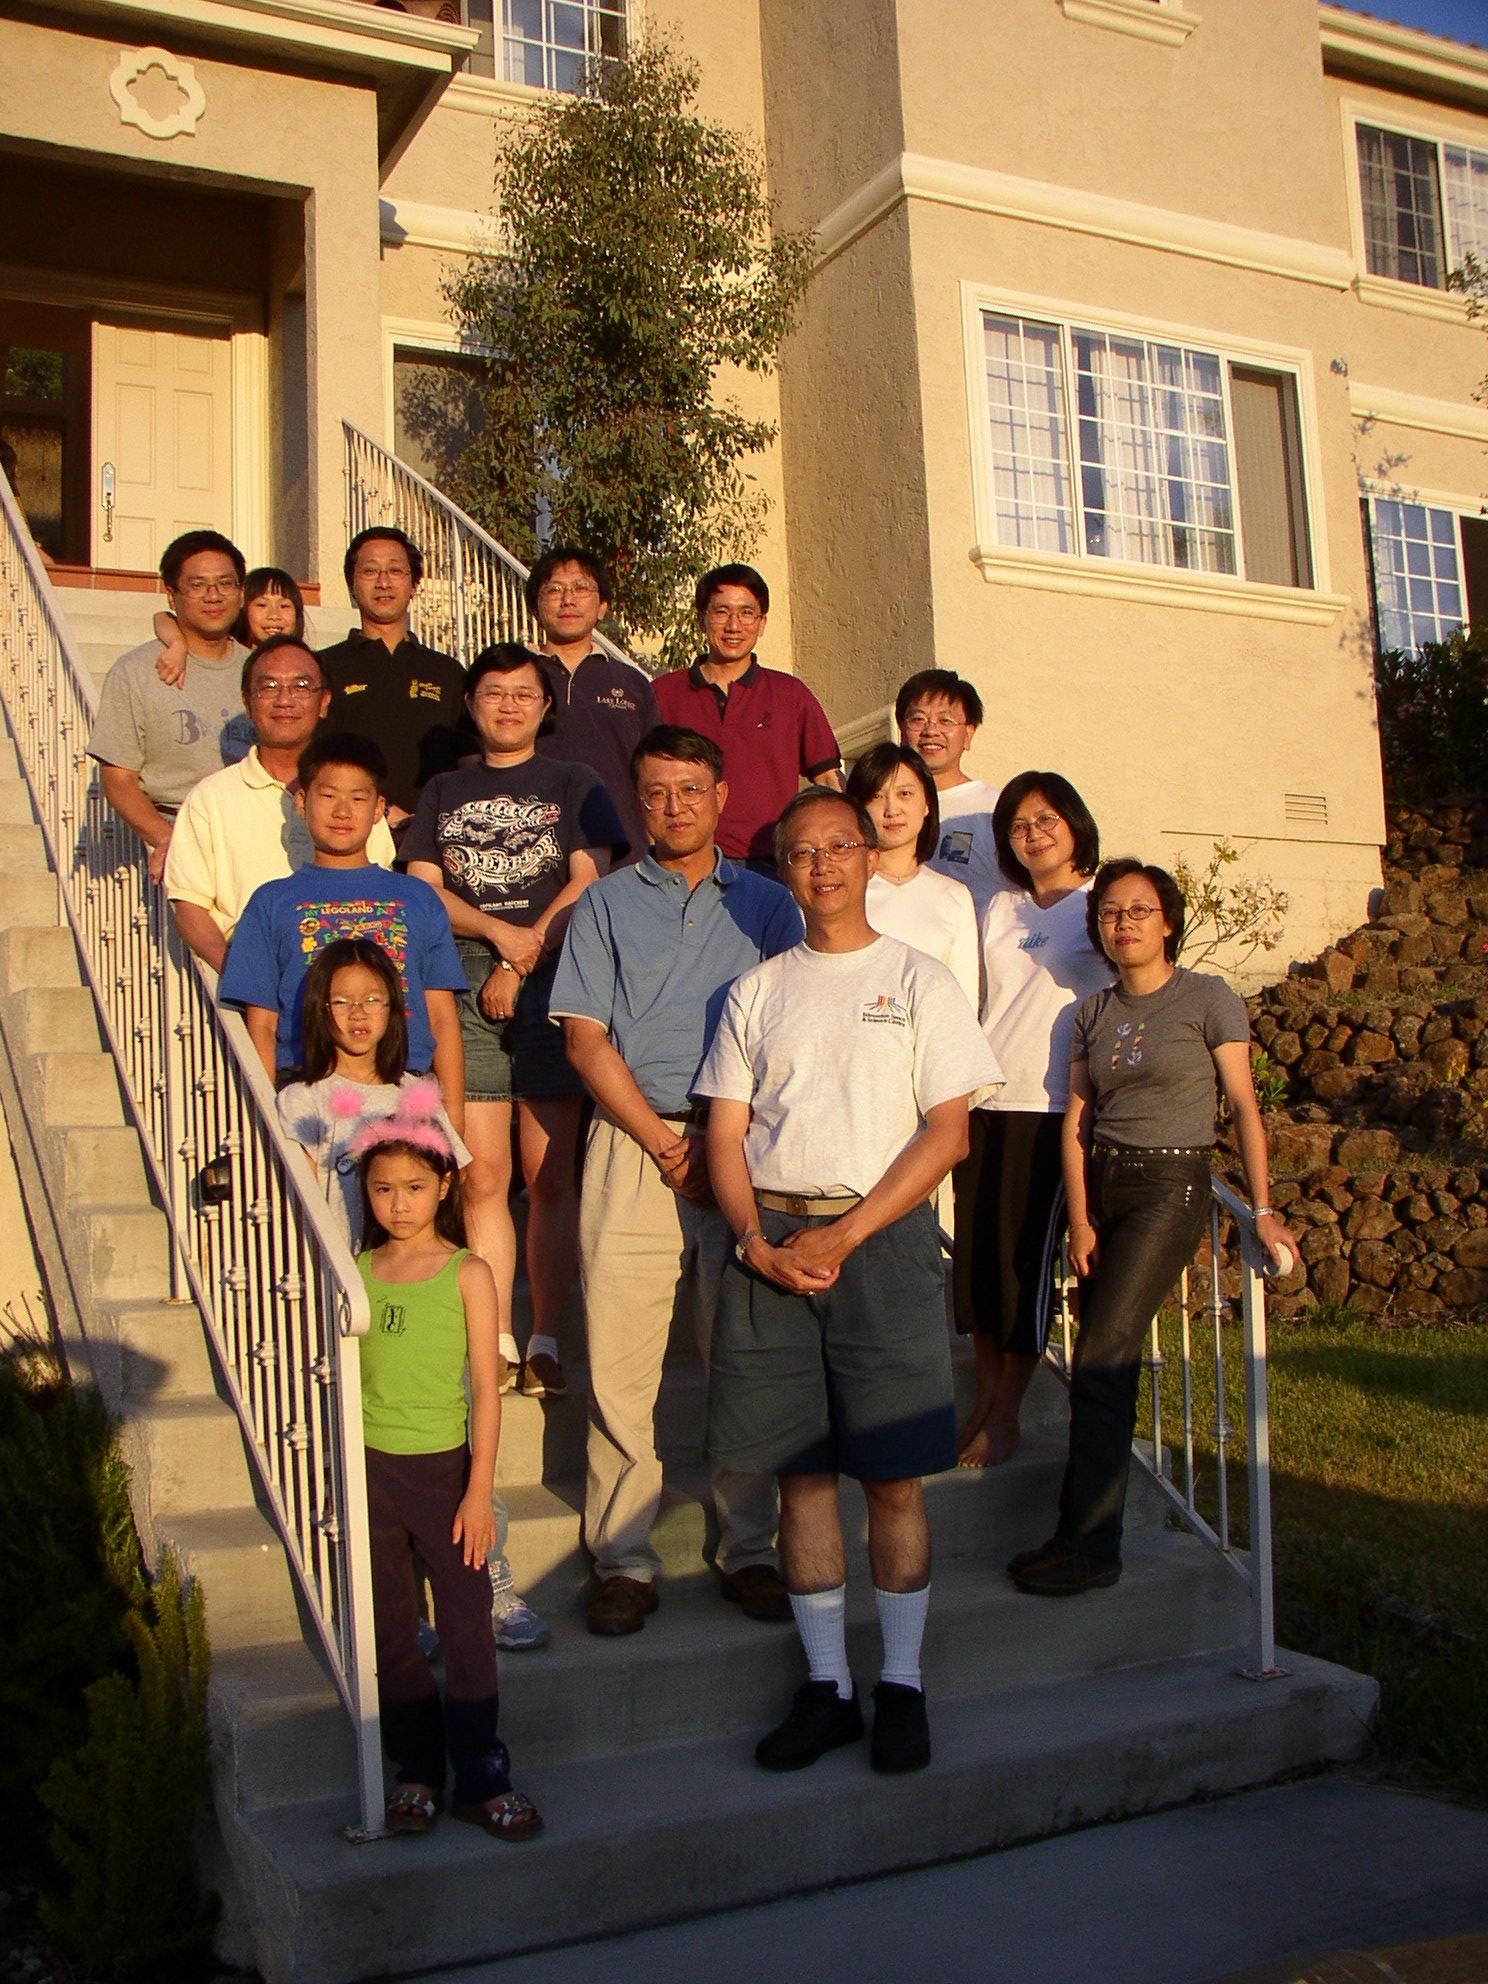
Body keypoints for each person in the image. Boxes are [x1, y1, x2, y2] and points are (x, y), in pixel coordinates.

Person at [697, 789, 1002, 1775]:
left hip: (883, 1241)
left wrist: (849, 1231)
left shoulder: (918, 979)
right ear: (783, 871)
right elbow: (726, 1134)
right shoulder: (756, 991)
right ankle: (827, 1687)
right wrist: (754, 1241)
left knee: (894, 1479)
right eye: (801, 852)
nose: (822, 865)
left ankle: (901, 1683)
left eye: (838, 846)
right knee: (801, 1479)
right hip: (774, 1245)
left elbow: (949, 1132)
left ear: (869, 857)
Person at [550, 724, 804, 1636]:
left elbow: (793, 1028)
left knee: (741, 1355)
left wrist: (721, 1142)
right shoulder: (605, 904)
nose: (673, 806)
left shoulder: (769, 905)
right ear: (637, 801)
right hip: (634, 1143)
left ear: (721, 795)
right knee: (621, 1362)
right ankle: (623, 1558)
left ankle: (751, 1547)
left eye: (691, 789)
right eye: (655, 792)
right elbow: (585, 1040)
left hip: (742, 1149)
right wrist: (663, 1143)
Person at [1009, 859, 1299, 1598]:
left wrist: (1263, 1209)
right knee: (1101, 1357)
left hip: (1170, 1185)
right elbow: (1078, 1124)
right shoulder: (1092, 1013)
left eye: (1139, 910)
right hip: (1104, 1183)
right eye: (1110, 912)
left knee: (1103, 1356)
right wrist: (1079, 1219)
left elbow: (1243, 1105)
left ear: (1167, 921)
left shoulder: (1208, 999)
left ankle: (1091, 1548)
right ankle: (1075, 1534)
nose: (1124, 923)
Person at [278, 939, 550, 1653]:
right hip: (349, 1299)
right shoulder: (302, 1101)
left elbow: (454, 1191)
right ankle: (398, 1603)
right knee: (367, 1455)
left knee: (454, 1439)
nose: (357, 1015)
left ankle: (489, 1579)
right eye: (341, 1001)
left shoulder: (414, 1095)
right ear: (320, 1011)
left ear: (395, 1011)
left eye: (372, 1000)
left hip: (425, 1298)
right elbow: (295, 1200)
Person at [404, 643, 626, 1400]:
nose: (508, 705)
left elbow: (589, 879)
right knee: (482, 1174)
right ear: (471, 704)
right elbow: (426, 888)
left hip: (555, 974)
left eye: (523, 693)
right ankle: (495, 1338)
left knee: (548, 1174)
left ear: (545, 705)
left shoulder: (574, 780)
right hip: (464, 975)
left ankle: (546, 1341)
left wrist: (523, 955)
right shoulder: (444, 787)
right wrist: (500, 937)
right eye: (493, 692)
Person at [350, 1099, 543, 1839]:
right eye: (382, 1188)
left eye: (413, 1187)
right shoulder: (357, 1273)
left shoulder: (468, 1272)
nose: (398, 1203)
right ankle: (417, 1773)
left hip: (445, 1476)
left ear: (443, 1187)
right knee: (393, 1631)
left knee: (465, 1628)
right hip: (373, 1474)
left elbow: (486, 1391)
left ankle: (481, 1776)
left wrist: (478, 1491)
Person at [955, 772, 1109, 1470]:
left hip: (1051, 1107)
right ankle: (986, 1397)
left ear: (1074, 824)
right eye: (1018, 826)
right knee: (978, 1263)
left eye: (1046, 819)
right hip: (985, 1098)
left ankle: (1008, 1411)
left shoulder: (1100, 905)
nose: (1034, 834)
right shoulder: (1000, 908)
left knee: (1023, 1264)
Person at [219, 731, 467, 1099]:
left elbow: (442, 1018)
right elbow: (262, 1024)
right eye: (328, 795)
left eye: (357, 798)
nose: (342, 811)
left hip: (403, 1088)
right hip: (306, 1088)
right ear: (301, 802)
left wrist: (454, 1114)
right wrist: (264, 1113)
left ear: (379, 808)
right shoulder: (271, 902)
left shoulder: (418, 897)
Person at [163, 637, 396, 973]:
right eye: (269, 686)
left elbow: (381, 886)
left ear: (324, 701)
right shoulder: (211, 798)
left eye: (301, 686)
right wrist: (241, 976)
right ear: (247, 701)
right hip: (252, 971)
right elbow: (190, 904)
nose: (285, 700)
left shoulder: (354, 796)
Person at [88, 529, 254, 884]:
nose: (213, 595)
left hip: (252, 835)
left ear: (241, 593)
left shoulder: (260, 670)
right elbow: (118, 779)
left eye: (225, 584)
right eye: (197, 585)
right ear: (172, 595)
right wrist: (169, 841)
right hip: (176, 835)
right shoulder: (136, 672)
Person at [652, 565, 842, 871]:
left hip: (771, 866)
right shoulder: (663, 694)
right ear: (701, 619)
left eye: (746, 613)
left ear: (762, 622)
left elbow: (829, 778)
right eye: (721, 612)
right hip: (685, 864)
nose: (733, 626)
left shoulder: (790, 694)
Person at [321, 526, 466, 833]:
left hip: (436, 837)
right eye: (370, 571)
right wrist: (382, 808)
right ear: (351, 583)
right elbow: (319, 758)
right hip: (353, 832)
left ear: (414, 584)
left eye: (395, 570)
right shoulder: (324, 668)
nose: (383, 582)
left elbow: (467, 760)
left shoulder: (448, 672)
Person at [523, 546, 660, 862]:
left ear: (602, 606)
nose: (567, 600)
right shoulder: (510, 680)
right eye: (554, 590)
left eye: (581, 588)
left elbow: (653, 772)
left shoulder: (632, 684)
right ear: (535, 607)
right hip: (532, 851)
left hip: (621, 854)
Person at [846, 743, 978, 1012]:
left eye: (904, 794)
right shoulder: (840, 890)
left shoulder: (954, 896)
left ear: (927, 803)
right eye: (876, 796)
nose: (892, 809)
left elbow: (963, 1004)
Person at [896, 669, 1002, 920]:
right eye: (918, 719)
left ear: (968, 734)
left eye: (945, 721)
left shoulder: (995, 809)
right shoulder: (879, 807)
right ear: (901, 728)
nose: (931, 731)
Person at [152, 565, 306, 687]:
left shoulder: (306, 663)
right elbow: (162, 617)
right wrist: (177, 644)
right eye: (261, 605)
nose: (274, 615)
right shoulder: (232, 654)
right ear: (241, 606)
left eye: (284, 606)